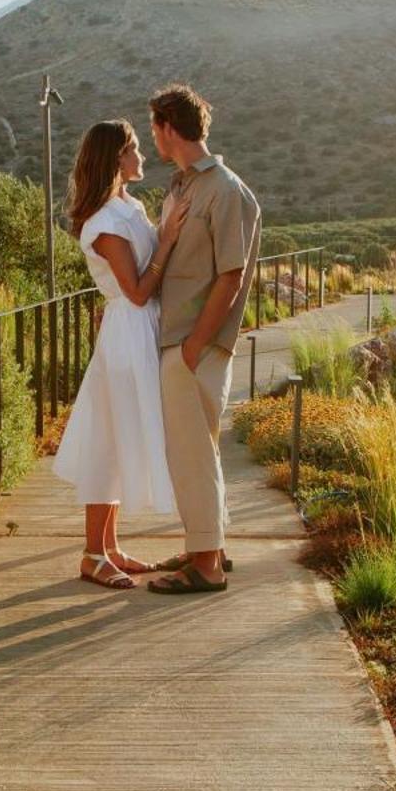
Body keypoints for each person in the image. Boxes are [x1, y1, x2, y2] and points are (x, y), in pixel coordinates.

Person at [52, 119, 191, 589]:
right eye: (134, 149)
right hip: (129, 333)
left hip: (138, 329)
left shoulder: (128, 208)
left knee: (119, 437)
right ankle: (92, 553)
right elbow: (134, 292)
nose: (142, 157)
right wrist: (168, 241)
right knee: (109, 442)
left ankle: (109, 547)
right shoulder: (104, 223)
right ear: (116, 158)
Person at [143, 84, 260, 595]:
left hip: (196, 343)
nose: (153, 137)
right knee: (196, 450)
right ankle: (205, 547)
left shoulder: (224, 189)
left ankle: (207, 566)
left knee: (191, 451)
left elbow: (230, 276)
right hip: (180, 338)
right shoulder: (182, 187)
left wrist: (195, 347)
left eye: (154, 127)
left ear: (169, 128)